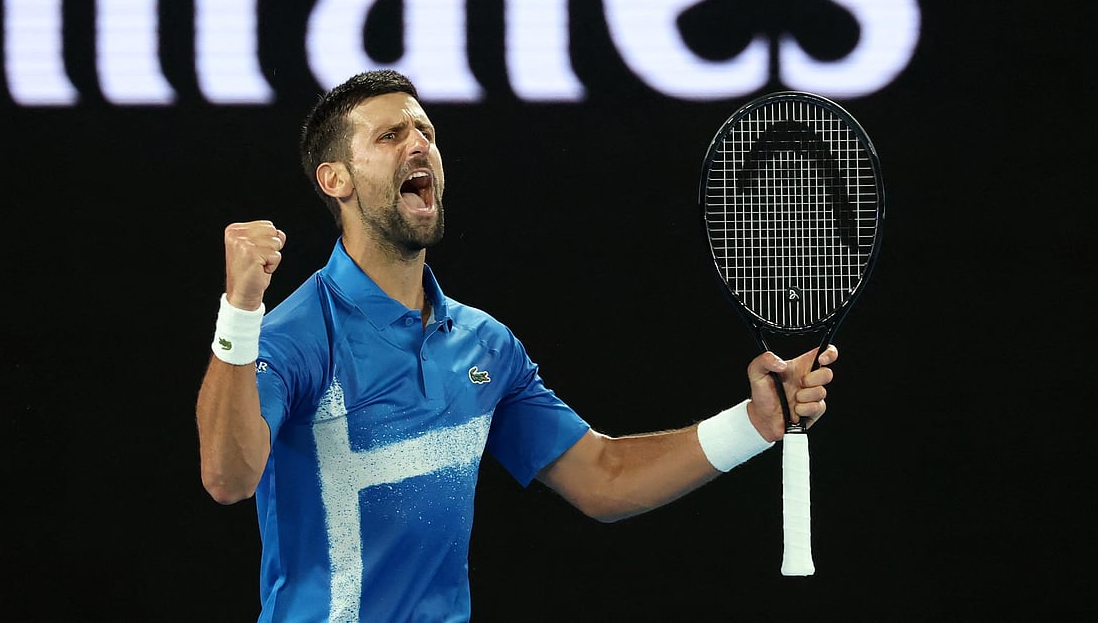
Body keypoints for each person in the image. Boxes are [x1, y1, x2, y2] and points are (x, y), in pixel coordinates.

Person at [196, 70, 837, 622]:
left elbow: (603, 478)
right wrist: (240, 311)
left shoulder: (485, 346)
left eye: (426, 132)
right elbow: (228, 480)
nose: (420, 144)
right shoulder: (289, 336)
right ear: (334, 179)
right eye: (390, 136)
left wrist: (754, 424)